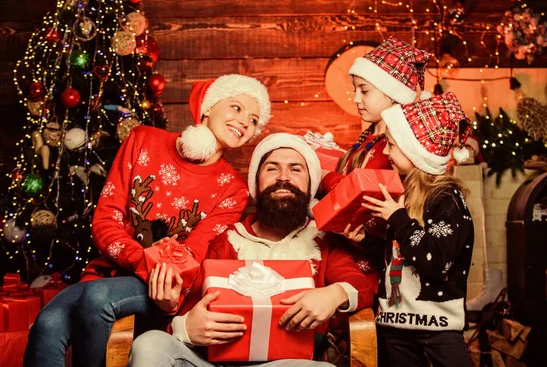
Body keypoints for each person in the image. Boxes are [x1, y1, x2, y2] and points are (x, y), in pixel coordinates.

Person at [24, 74, 272, 367]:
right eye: (236, 108)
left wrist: (164, 274)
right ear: (208, 107)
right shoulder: (143, 139)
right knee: (48, 322)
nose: (245, 122)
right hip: (113, 272)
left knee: (98, 296)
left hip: (167, 290)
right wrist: (147, 261)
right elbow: (106, 219)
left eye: (254, 120)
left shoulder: (233, 188)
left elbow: (194, 254)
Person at [129, 133, 375, 367]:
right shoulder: (225, 239)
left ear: (310, 184)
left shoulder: (324, 240)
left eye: (295, 169)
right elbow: (188, 309)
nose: (283, 177)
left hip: (288, 363)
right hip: (215, 361)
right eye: (272, 168)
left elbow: (361, 287)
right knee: (150, 343)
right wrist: (186, 328)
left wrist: (334, 294)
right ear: (256, 183)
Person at [341, 92, 474, 367]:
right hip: (395, 325)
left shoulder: (446, 200)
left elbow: (435, 261)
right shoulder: (404, 194)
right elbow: (400, 257)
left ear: (415, 151)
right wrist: (366, 241)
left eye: (391, 145)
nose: (386, 152)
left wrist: (399, 218)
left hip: (438, 327)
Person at [321, 37, 430, 284]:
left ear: (392, 93)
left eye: (364, 90)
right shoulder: (369, 138)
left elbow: (357, 195)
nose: (356, 98)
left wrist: (324, 176)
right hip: (349, 250)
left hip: (373, 263)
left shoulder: (396, 150)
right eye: (355, 90)